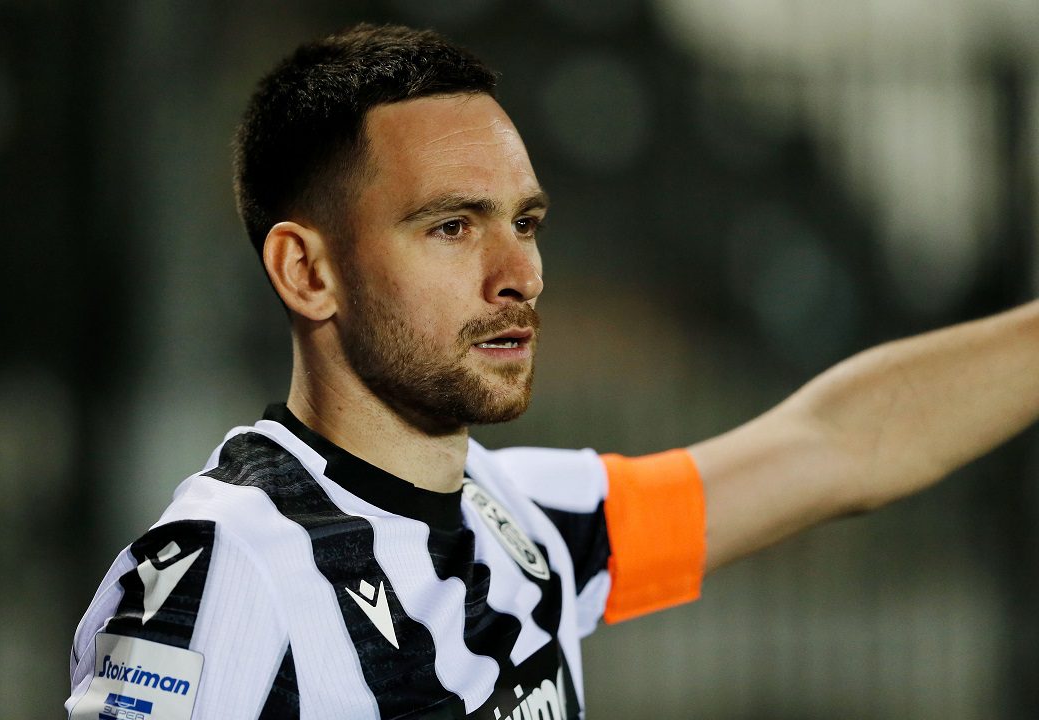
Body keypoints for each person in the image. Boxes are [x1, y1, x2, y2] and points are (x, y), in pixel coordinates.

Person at [64, 23, 1039, 720]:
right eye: (452, 226)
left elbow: (839, 447)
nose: (520, 274)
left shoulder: (524, 521)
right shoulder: (225, 567)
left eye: (523, 223)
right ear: (307, 272)